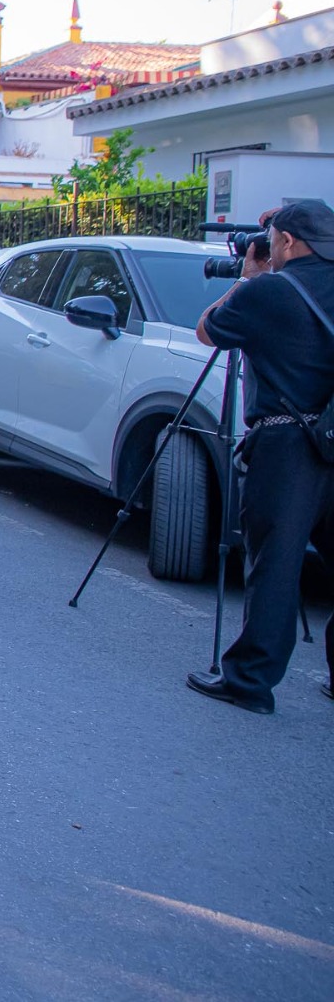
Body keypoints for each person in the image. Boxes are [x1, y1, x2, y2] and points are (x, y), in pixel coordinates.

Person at [186, 201, 334, 713]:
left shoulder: (271, 290)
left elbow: (208, 330)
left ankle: (250, 680)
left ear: (287, 241)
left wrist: (249, 278)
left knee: (276, 565)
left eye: (272, 239)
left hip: (288, 446)